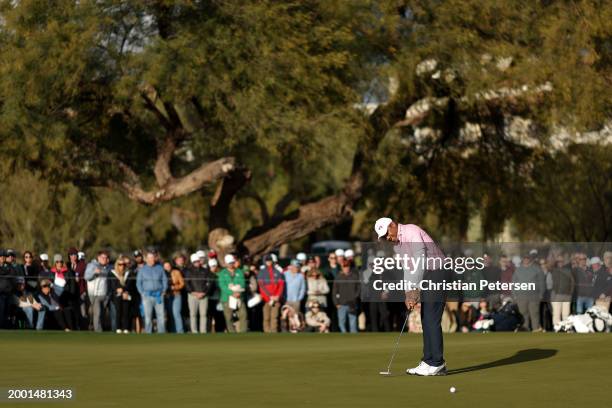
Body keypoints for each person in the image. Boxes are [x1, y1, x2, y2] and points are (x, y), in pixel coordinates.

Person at [375, 217, 448, 376]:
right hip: (427, 275)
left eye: (386, 233)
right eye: (383, 237)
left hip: (438, 272)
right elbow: (408, 269)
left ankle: (438, 363)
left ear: (392, 225)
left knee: (431, 318)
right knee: (425, 318)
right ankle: (428, 361)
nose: (387, 238)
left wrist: (415, 288)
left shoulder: (412, 230)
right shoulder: (398, 246)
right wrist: (408, 293)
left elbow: (420, 260)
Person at [137, 250, 168, 334]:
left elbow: (164, 280)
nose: (151, 260)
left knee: (161, 316)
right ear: (146, 259)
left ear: (155, 258)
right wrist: (142, 293)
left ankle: (161, 333)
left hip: (159, 295)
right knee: (148, 317)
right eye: (150, 258)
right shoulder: (142, 269)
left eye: (153, 257)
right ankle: (148, 333)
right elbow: (138, 283)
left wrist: (164, 290)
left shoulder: (160, 268)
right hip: (147, 296)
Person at [512, 253, 545, 331]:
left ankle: (536, 329)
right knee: (523, 314)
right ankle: (525, 329)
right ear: (523, 260)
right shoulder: (518, 270)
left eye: (527, 258)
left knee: (534, 314)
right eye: (525, 258)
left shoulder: (537, 269)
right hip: (521, 296)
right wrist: (515, 295)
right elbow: (514, 283)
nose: (526, 260)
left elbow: (542, 282)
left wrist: (541, 294)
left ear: (530, 259)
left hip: (534, 296)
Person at [218, 254, 247, 333]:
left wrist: (238, 292)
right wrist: (231, 293)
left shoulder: (239, 271)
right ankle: (232, 333)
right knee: (229, 317)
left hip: (239, 296)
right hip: (227, 298)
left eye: (232, 262)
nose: (231, 264)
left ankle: (243, 332)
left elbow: (243, 283)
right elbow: (222, 285)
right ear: (226, 263)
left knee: (243, 315)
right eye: (229, 263)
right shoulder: (222, 273)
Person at [85, 251, 111, 332]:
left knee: (102, 315)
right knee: (98, 314)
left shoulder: (107, 267)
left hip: (104, 295)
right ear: (98, 258)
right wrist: (94, 272)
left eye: (106, 258)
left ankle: (98, 329)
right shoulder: (92, 265)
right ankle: (98, 332)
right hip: (95, 294)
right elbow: (86, 277)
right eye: (102, 257)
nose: (104, 259)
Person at [258, 254, 285, 333]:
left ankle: (274, 332)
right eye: (267, 261)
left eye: (270, 260)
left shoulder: (277, 272)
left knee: (275, 317)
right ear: (265, 262)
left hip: (276, 298)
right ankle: (267, 331)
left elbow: (281, 285)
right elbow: (261, 286)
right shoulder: (262, 272)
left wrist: (278, 296)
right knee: (266, 317)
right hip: (266, 299)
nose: (268, 262)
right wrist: (269, 296)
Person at [184, 253, 211, 334]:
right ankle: (194, 331)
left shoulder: (205, 271)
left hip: (203, 295)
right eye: (195, 261)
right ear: (192, 262)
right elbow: (187, 284)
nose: (197, 263)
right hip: (192, 295)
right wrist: (194, 292)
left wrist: (204, 292)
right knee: (193, 314)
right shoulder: (188, 271)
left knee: (203, 314)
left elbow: (209, 283)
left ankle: (203, 331)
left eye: (198, 261)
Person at [332, 260, 360, 333]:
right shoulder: (338, 277)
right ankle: (344, 335)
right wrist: (336, 303)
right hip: (341, 303)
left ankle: (353, 337)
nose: (346, 268)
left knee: (353, 321)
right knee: (341, 322)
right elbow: (334, 292)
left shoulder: (355, 277)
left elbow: (359, 289)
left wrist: (355, 298)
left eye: (347, 266)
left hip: (352, 303)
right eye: (344, 267)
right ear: (342, 267)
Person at [108, 256, 134, 333]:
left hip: (126, 294)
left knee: (126, 312)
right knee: (118, 312)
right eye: (120, 264)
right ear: (117, 265)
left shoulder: (128, 273)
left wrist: (124, 290)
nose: (122, 266)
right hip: (117, 295)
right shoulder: (112, 273)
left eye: (123, 264)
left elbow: (130, 284)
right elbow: (112, 284)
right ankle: (118, 328)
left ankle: (126, 328)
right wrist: (119, 290)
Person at [550, 254, 574, 327]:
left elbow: (572, 282)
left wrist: (570, 293)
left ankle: (566, 328)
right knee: (556, 313)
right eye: (558, 261)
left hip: (567, 295)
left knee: (566, 314)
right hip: (557, 294)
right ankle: (557, 328)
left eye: (561, 261)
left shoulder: (568, 270)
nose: (560, 263)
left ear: (563, 262)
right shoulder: (553, 270)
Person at [0, 249, 17, 329]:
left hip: (8, 293)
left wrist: (4, 273)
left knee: (7, 311)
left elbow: (12, 274)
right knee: (2, 310)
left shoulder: (10, 267)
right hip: (1, 293)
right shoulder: (7, 268)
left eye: (4, 256)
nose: (3, 258)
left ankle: (5, 327)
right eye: (1, 256)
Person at [169, 267, 185, 333]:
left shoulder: (176, 272)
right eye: (165, 266)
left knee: (176, 313)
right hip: (167, 296)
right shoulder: (162, 272)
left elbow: (182, 283)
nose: (167, 267)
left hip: (176, 294)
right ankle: (172, 330)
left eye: (168, 266)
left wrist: (175, 287)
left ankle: (180, 331)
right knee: (170, 314)